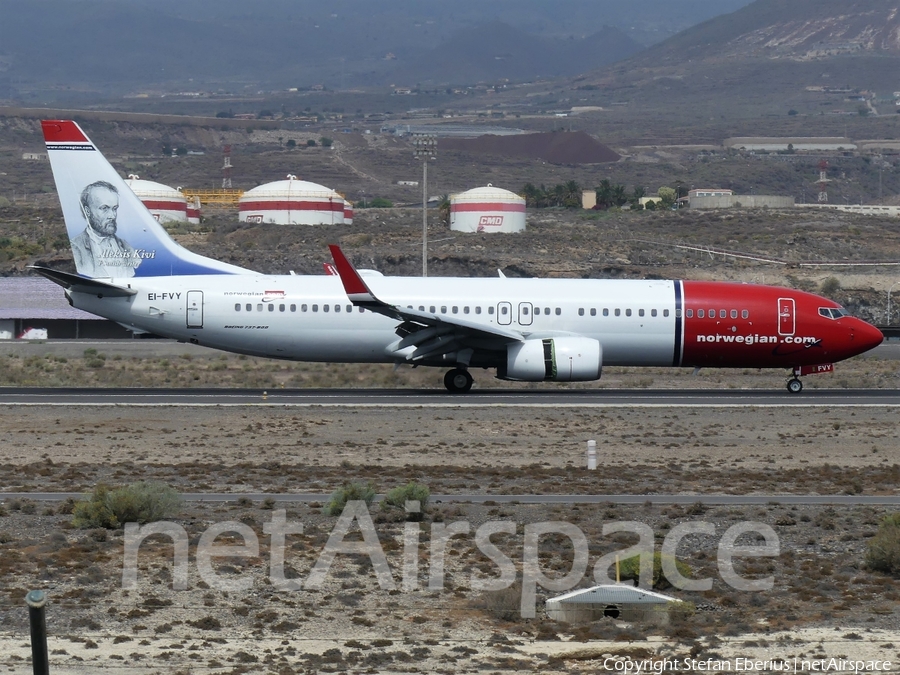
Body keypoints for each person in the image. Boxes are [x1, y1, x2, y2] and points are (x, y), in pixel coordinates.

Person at [70, 181, 140, 277]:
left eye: (114, 208)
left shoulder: (124, 245)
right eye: (104, 208)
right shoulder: (76, 246)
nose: (112, 216)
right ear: (87, 211)